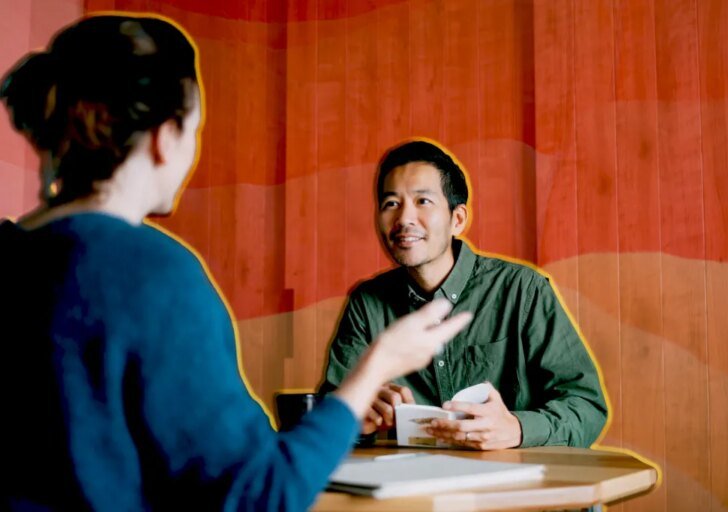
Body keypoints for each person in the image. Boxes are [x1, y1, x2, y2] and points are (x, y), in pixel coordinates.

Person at [0, 16, 472, 511]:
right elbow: (261, 494)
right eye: (196, 130)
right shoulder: (156, 275)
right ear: (166, 137)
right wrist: (376, 368)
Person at [320, 139, 608, 450]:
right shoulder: (367, 304)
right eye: (391, 203)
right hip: (408, 479)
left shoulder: (523, 290)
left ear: (457, 219)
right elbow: (324, 417)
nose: (403, 219)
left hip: (512, 479)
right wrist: (355, 411)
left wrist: (518, 429)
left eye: (422, 201)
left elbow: (587, 407)